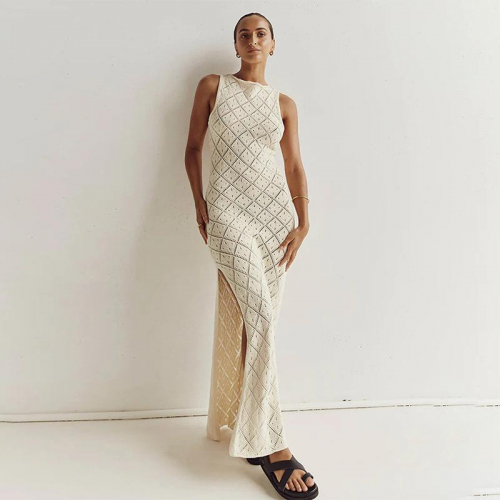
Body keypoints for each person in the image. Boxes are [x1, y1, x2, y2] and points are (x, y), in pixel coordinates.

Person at [184, 12, 319, 500]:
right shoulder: (213, 86)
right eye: (245, 34)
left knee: (259, 325)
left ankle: (250, 425)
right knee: (259, 319)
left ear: (273, 44)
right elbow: (193, 149)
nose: (253, 39)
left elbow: (294, 164)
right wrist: (200, 204)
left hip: (275, 220)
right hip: (227, 213)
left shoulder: (284, 104)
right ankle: (274, 445)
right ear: (236, 45)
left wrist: (303, 220)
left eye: (261, 33)